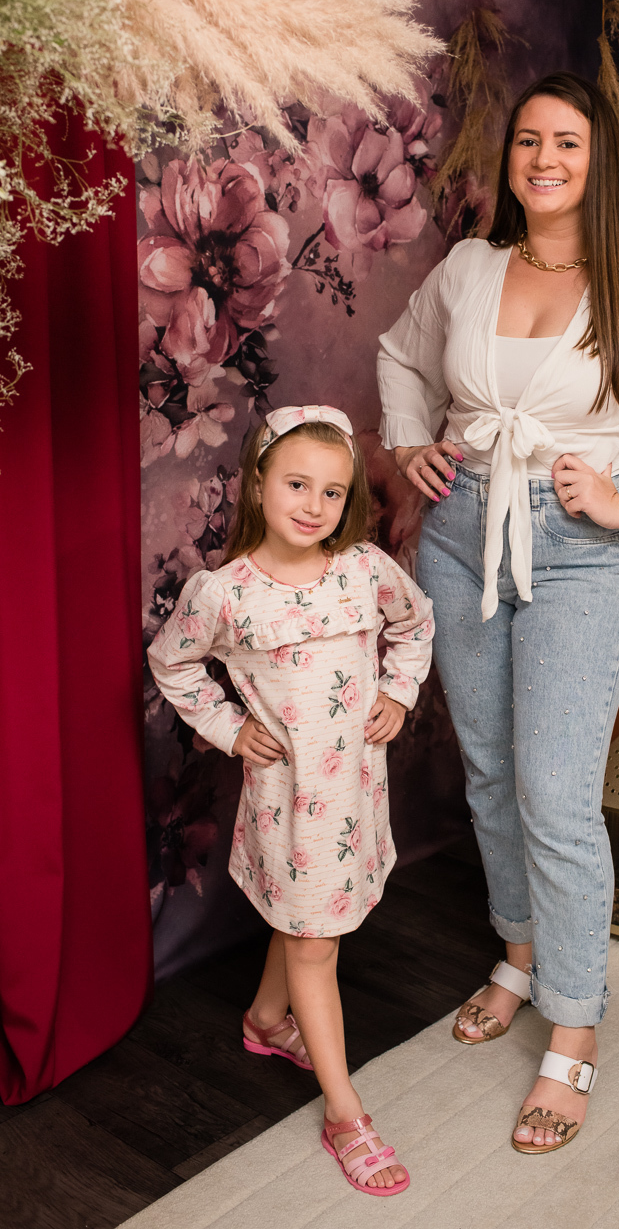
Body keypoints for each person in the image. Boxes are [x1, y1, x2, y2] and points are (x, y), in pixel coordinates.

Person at [376, 71, 619, 1154]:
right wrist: (408, 442)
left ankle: (574, 1023)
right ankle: (517, 954)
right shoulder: (468, 267)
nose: (543, 159)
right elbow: (399, 356)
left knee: (554, 790)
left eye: (567, 143)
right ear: (509, 158)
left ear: (599, 164)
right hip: (461, 535)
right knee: (491, 772)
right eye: (527, 140)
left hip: (579, 552)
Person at [148, 405, 433, 1196]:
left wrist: (399, 692)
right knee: (314, 941)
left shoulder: (365, 569)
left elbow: (415, 625)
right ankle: (345, 1113)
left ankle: (267, 1021)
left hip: (356, 792)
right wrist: (228, 728)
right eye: (297, 484)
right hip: (293, 803)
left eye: (333, 492)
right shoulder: (224, 593)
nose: (314, 505)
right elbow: (173, 664)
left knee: (304, 922)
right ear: (257, 484)